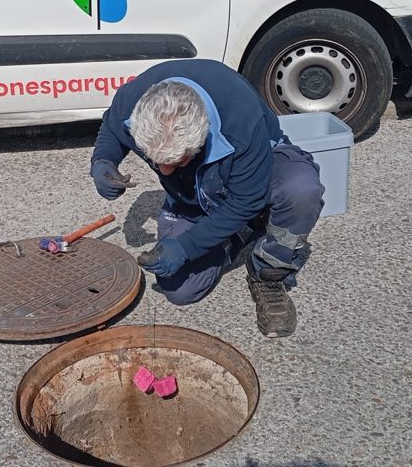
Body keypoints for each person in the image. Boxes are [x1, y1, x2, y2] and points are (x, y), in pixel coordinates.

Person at [89, 59, 325, 337]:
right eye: (156, 161)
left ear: (202, 136)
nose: (164, 171)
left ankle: (269, 273)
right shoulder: (132, 100)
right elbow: (111, 128)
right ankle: (236, 235)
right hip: (196, 191)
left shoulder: (240, 117)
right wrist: (103, 162)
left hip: (259, 166)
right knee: (179, 289)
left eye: (176, 161)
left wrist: (186, 247)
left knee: (300, 190)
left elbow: (247, 200)